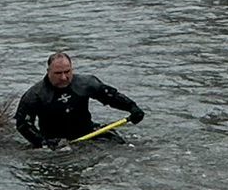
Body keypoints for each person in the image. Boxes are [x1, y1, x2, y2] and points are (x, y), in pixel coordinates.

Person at [16, 50, 144, 148]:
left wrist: (132, 107)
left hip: (87, 131)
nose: (64, 77)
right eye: (58, 73)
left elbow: (111, 96)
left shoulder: (86, 83)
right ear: (48, 71)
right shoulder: (35, 95)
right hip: (55, 140)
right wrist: (43, 142)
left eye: (67, 72)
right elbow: (23, 124)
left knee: (122, 145)